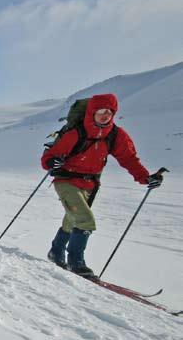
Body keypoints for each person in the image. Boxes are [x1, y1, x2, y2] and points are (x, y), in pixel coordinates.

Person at [41, 93, 163, 277]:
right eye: (100, 111)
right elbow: (49, 157)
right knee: (85, 220)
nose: (105, 115)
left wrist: (146, 178)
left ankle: (56, 252)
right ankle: (76, 262)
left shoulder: (115, 135)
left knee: (73, 219)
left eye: (109, 112)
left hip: (90, 184)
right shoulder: (76, 133)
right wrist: (51, 163)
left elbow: (129, 159)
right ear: (91, 112)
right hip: (66, 180)